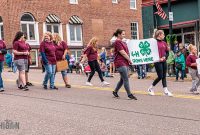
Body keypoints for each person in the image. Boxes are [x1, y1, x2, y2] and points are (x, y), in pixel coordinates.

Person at [112, 29, 137, 100]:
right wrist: (130, 60)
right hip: (120, 62)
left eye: (124, 34)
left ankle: (115, 91)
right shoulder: (117, 42)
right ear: (119, 34)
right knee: (125, 79)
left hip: (125, 62)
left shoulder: (122, 42)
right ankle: (129, 94)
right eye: (123, 34)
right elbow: (122, 52)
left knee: (122, 80)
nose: (124, 35)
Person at [147, 30, 173, 96]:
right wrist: (158, 58)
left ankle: (166, 91)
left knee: (164, 76)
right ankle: (150, 88)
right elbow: (151, 52)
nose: (164, 35)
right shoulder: (154, 43)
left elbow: (167, 52)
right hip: (157, 61)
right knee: (160, 76)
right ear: (159, 35)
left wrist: (165, 57)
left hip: (164, 61)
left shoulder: (164, 43)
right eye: (163, 34)